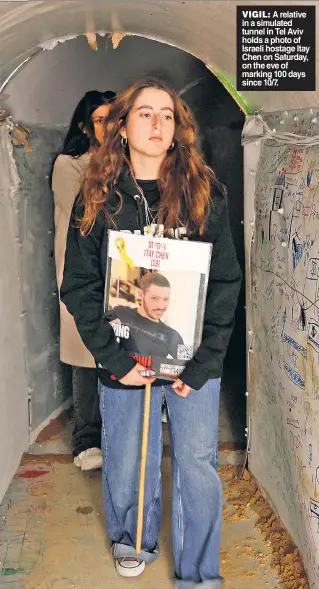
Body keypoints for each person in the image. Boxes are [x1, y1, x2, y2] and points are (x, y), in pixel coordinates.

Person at [61, 78, 242, 587]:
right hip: (125, 361)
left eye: (167, 114)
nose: (158, 122)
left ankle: (199, 570)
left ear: (179, 128)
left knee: (197, 462)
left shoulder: (205, 193)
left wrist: (204, 363)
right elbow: (78, 285)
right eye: (145, 113)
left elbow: (225, 281)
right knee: (125, 455)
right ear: (121, 127)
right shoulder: (98, 198)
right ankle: (131, 538)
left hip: (191, 362)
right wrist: (115, 360)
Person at [51, 89, 116, 471]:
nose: (108, 126)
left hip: (117, 270)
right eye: (100, 119)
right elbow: (86, 213)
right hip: (81, 271)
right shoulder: (68, 164)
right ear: (84, 126)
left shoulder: (121, 162)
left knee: (118, 348)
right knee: (84, 355)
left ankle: (114, 430)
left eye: (113, 117)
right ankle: (86, 440)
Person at [109, 271, 184, 358]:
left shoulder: (173, 336)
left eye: (165, 299)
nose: (161, 306)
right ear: (141, 294)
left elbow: (188, 366)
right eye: (155, 298)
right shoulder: (120, 312)